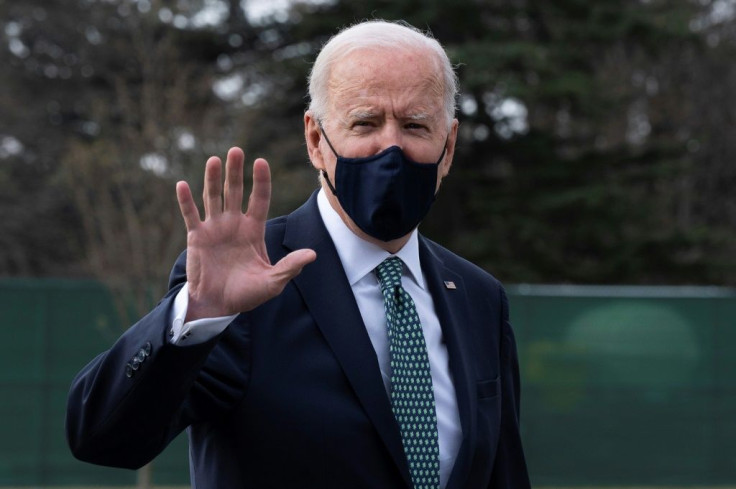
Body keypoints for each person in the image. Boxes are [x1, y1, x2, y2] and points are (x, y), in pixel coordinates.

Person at [66, 19, 531, 489]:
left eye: (415, 125)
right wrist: (199, 312)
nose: (390, 146)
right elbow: (104, 439)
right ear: (315, 140)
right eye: (365, 122)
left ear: (447, 146)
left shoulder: (477, 296)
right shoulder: (242, 284)